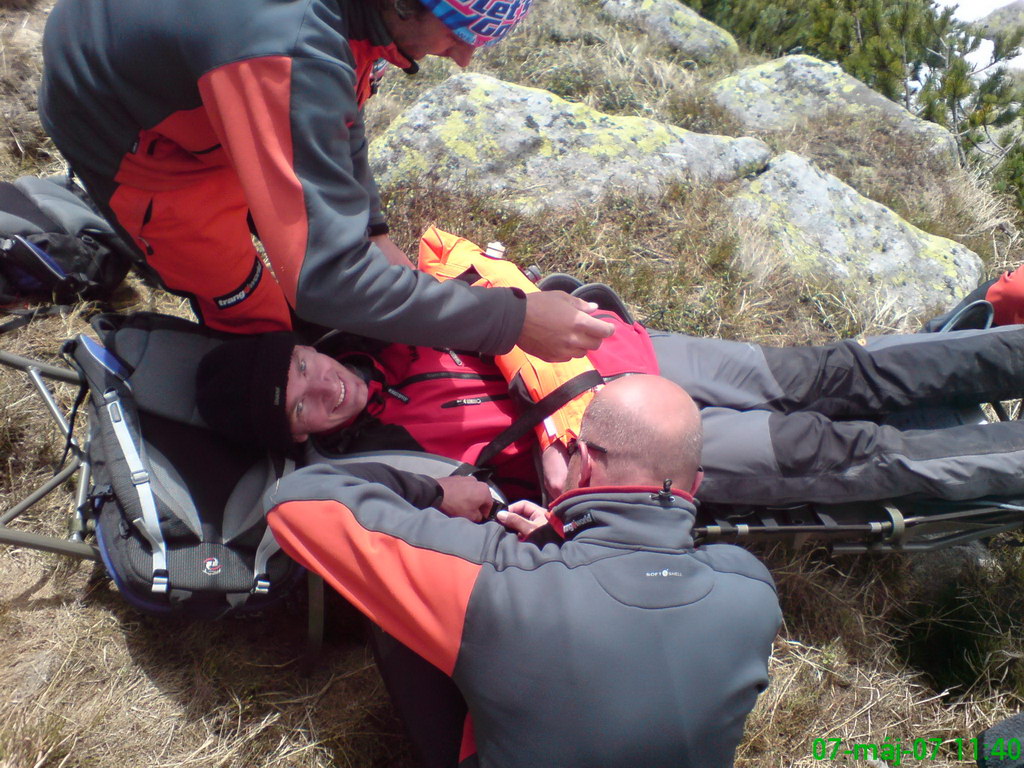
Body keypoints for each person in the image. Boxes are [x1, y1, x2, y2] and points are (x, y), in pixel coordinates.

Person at [38, 0, 612, 361]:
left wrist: (372, 228)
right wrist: (512, 321)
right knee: (256, 316)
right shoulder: (288, 49)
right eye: (460, 31)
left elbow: (340, 105)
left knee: (332, 252)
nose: (464, 57)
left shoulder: (354, 19)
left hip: (210, 68)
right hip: (137, 133)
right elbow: (326, 282)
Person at [264, 375, 782, 767]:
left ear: (584, 463)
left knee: (403, 598)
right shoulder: (752, 590)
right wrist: (557, 541)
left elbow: (297, 499)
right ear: (695, 484)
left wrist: (438, 491)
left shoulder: (497, 587)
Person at [197, 291, 1024, 508]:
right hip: (616, 448)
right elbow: (466, 505)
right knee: (831, 454)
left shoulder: (366, 319)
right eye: (301, 406)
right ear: (298, 435)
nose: (321, 387)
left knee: (836, 373)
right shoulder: (374, 465)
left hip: (629, 353)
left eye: (302, 367)